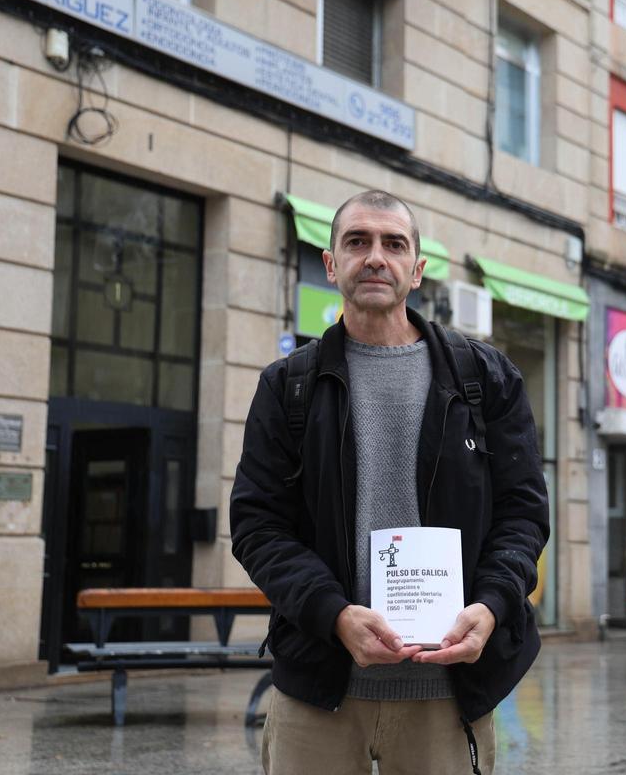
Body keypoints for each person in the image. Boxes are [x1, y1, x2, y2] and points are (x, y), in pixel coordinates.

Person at [230, 189, 549, 775]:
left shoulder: (485, 378)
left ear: (417, 270)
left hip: (450, 693)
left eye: (393, 244)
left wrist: (493, 604)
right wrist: (333, 614)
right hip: (320, 689)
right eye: (357, 242)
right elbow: (256, 524)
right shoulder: (288, 386)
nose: (375, 257)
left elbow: (523, 514)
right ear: (331, 265)